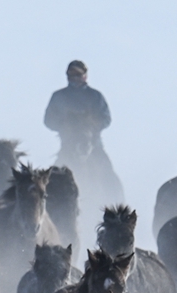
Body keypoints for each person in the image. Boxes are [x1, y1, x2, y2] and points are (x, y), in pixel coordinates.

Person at [44, 60, 124, 214]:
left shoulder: (95, 96)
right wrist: (63, 125)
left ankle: (118, 209)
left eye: (77, 74)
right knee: (52, 178)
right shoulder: (58, 96)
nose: (74, 78)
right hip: (68, 147)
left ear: (85, 76)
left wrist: (91, 126)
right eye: (71, 74)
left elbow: (106, 118)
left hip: (93, 146)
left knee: (109, 176)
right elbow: (48, 120)